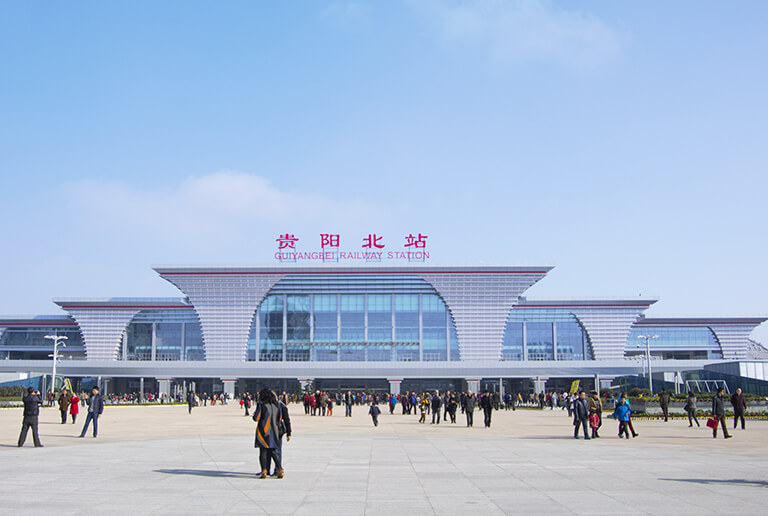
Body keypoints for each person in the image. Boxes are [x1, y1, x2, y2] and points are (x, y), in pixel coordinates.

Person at [253, 389, 285, 479]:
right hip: (274, 430)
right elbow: (279, 418)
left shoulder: (262, 405)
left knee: (263, 451)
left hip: (263, 431)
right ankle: (280, 469)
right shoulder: (276, 406)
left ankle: (264, 470)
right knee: (273, 451)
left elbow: (256, 418)